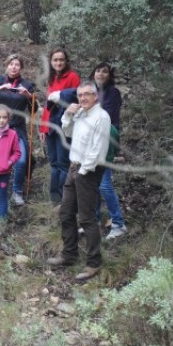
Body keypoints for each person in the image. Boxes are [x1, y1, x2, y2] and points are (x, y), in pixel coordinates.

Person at [47, 82, 111, 281]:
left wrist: (83, 171)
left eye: (87, 94)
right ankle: (69, 254)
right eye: (80, 95)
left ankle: (93, 263)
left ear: (95, 96)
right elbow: (67, 133)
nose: (83, 98)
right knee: (66, 212)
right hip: (74, 166)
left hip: (88, 170)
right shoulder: (81, 113)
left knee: (86, 218)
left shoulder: (101, 117)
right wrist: (67, 115)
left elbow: (98, 149)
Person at [0, 54, 36, 205]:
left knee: (21, 160)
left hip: (17, 128)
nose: (14, 67)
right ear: (7, 66)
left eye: (17, 64)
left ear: (21, 67)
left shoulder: (26, 84)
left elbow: (34, 109)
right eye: (11, 64)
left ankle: (17, 192)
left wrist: (28, 95)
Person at [90, 62, 127, 239]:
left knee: (104, 184)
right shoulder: (90, 91)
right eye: (98, 71)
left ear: (109, 75)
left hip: (106, 141)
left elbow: (107, 117)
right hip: (90, 141)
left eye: (104, 71)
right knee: (93, 183)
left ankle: (118, 224)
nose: (100, 74)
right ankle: (95, 219)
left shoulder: (113, 93)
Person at [40, 48, 80, 203]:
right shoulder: (52, 78)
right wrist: (43, 128)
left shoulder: (73, 77)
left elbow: (77, 98)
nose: (58, 62)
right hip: (50, 126)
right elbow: (47, 106)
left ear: (66, 61)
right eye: (55, 60)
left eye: (61, 60)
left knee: (63, 163)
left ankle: (64, 197)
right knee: (54, 162)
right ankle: (54, 197)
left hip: (65, 125)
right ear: (51, 62)